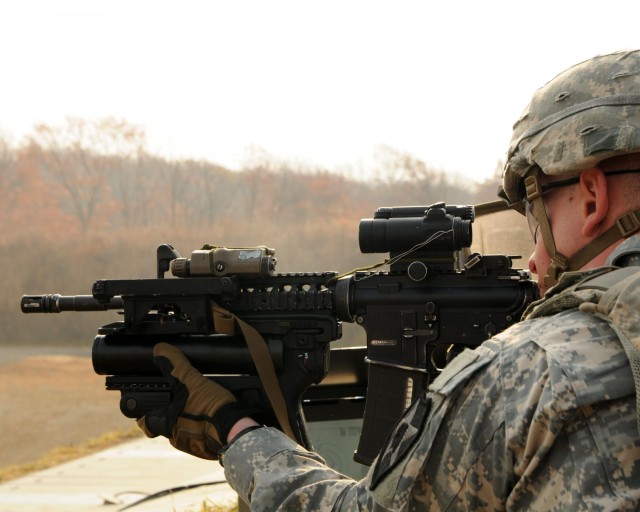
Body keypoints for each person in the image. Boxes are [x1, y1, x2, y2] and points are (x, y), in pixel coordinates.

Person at [138, 50, 640, 510]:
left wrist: (237, 431)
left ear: (593, 198)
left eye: (535, 211)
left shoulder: (528, 375)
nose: (533, 257)